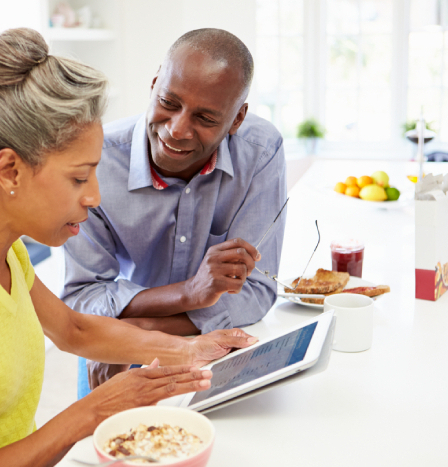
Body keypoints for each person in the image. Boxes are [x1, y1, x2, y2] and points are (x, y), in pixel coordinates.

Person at [0, 28, 257, 467]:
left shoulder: (2, 249)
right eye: (79, 177)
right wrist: (90, 412)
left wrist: (191, 350)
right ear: (10, 170)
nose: (94, 197)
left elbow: (73, 330)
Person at [61, 29, 286, 388]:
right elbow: (82, 299)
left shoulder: (260, 151)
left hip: (168, 340)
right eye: (169, 102)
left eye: (206, 119)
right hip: (114, 351)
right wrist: (189, 294)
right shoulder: (97, 162)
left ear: (237, 119)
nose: (178, 130)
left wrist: (141, 328)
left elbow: (256, 291)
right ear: (153, 86)